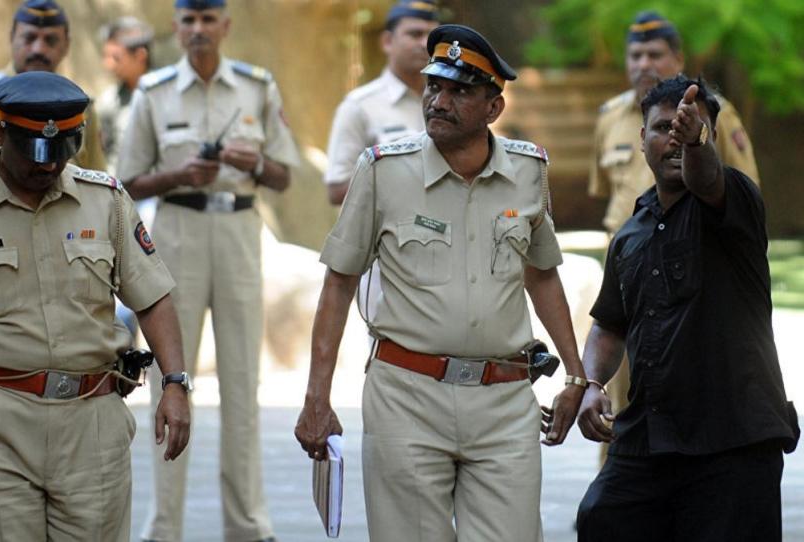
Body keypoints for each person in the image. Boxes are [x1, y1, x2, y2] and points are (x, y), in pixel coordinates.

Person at [295, 24, 587, 542]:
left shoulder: (528, 170)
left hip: (504, 403)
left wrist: (576, 376)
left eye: (459, 91)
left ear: (494, 108)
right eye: (434, 86)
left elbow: (542, 274)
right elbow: (338, 284)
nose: (439, 101)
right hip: (406, 398)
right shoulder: (383, 170)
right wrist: (317, 396)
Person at [0, 71, 192, 541]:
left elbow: (152, 298)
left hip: (91, 424)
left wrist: (175, 383)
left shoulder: (106, 201)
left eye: (62, 150)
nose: (48, 166)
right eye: (33, 151)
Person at [575, 75, 799, 541]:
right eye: (663, 129)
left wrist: (695, 140)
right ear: (642, 139)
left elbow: (706, 177)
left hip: (731, 443)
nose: (675, 139)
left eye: (691, 130)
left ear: (710, 137)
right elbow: (609, 324)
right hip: (648, 438)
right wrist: (591, 384)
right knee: (600, 517)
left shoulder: (734, 200)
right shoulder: (630, 234)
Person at [116, 1, 299, 540]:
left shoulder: (256, 87)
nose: (199, 29)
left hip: (239, 229)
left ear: (225, 26)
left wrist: (252, 163)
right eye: (189, 21)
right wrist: (178, 174)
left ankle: (248, 523)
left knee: (243, 382)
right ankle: (163, 526)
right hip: (179, 228)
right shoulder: (154, 93)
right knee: (170, 378)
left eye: (208, 19)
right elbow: (128, 181)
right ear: (176, 28)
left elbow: (284, 175)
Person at [588, 11, 761, 456]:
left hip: (696, 265)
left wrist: (696, 140)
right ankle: (620, 469)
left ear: (678, 58)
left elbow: (738, 188)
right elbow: (608, 194)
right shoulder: (609, 116)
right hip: (629, 265)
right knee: (624, 395)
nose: (643, 63)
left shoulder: (714, 114)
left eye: (654, 54)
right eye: (635, 54)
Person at [324, 0, 439, 205]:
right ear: (387, 41)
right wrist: (400, 175)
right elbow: (337, 190)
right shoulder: (360, 106)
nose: (425, 44)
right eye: (415, 34)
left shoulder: (447, 101)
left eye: (432, 37)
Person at [0, 0, 107, 170]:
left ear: (66, 45)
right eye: (29, 38)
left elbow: (96, 176)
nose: (39, 49)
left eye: (50, 40)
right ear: (12, 38)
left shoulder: (81, 106)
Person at [96, 16, 154, 177]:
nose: (108, 65)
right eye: (105, 56)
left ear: (140, 56)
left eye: (116, 58)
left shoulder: (165, 96)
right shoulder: (108, 101)